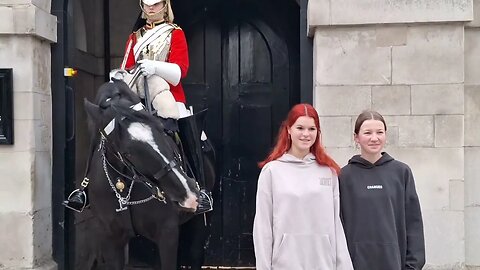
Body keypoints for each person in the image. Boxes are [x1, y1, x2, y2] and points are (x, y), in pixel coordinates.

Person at [64, 0, 213, 214]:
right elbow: (126, 67)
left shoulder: (175, 33)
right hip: (136, 96)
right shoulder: (135, 37)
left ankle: (198, 187)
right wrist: (118, 75)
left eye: (156, 4)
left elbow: (180, 71)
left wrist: (154, 66)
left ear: (164, 6)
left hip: (167, 95)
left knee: (187, 126)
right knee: (106, 125)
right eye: (147, 4)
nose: (151, 9)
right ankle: (85, 188)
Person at [253, 103, 353, 270]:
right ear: (289, 130)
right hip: (285, 264)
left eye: (312, 129)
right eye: (300, 127)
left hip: (323, 263)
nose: (306, 134)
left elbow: (336, 225)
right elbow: (263, 227)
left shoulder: (328, 172)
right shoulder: (272, 171)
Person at [339, 110, 425, 270]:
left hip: (394, 263)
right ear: (356, 137)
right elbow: (338, 225)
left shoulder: (401, 172)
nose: (374, 138)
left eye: (379, 132)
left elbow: (413, 223)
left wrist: (413, 265)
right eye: (367, 133)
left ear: (385, 135)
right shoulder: (344, 176)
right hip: (355, 264)